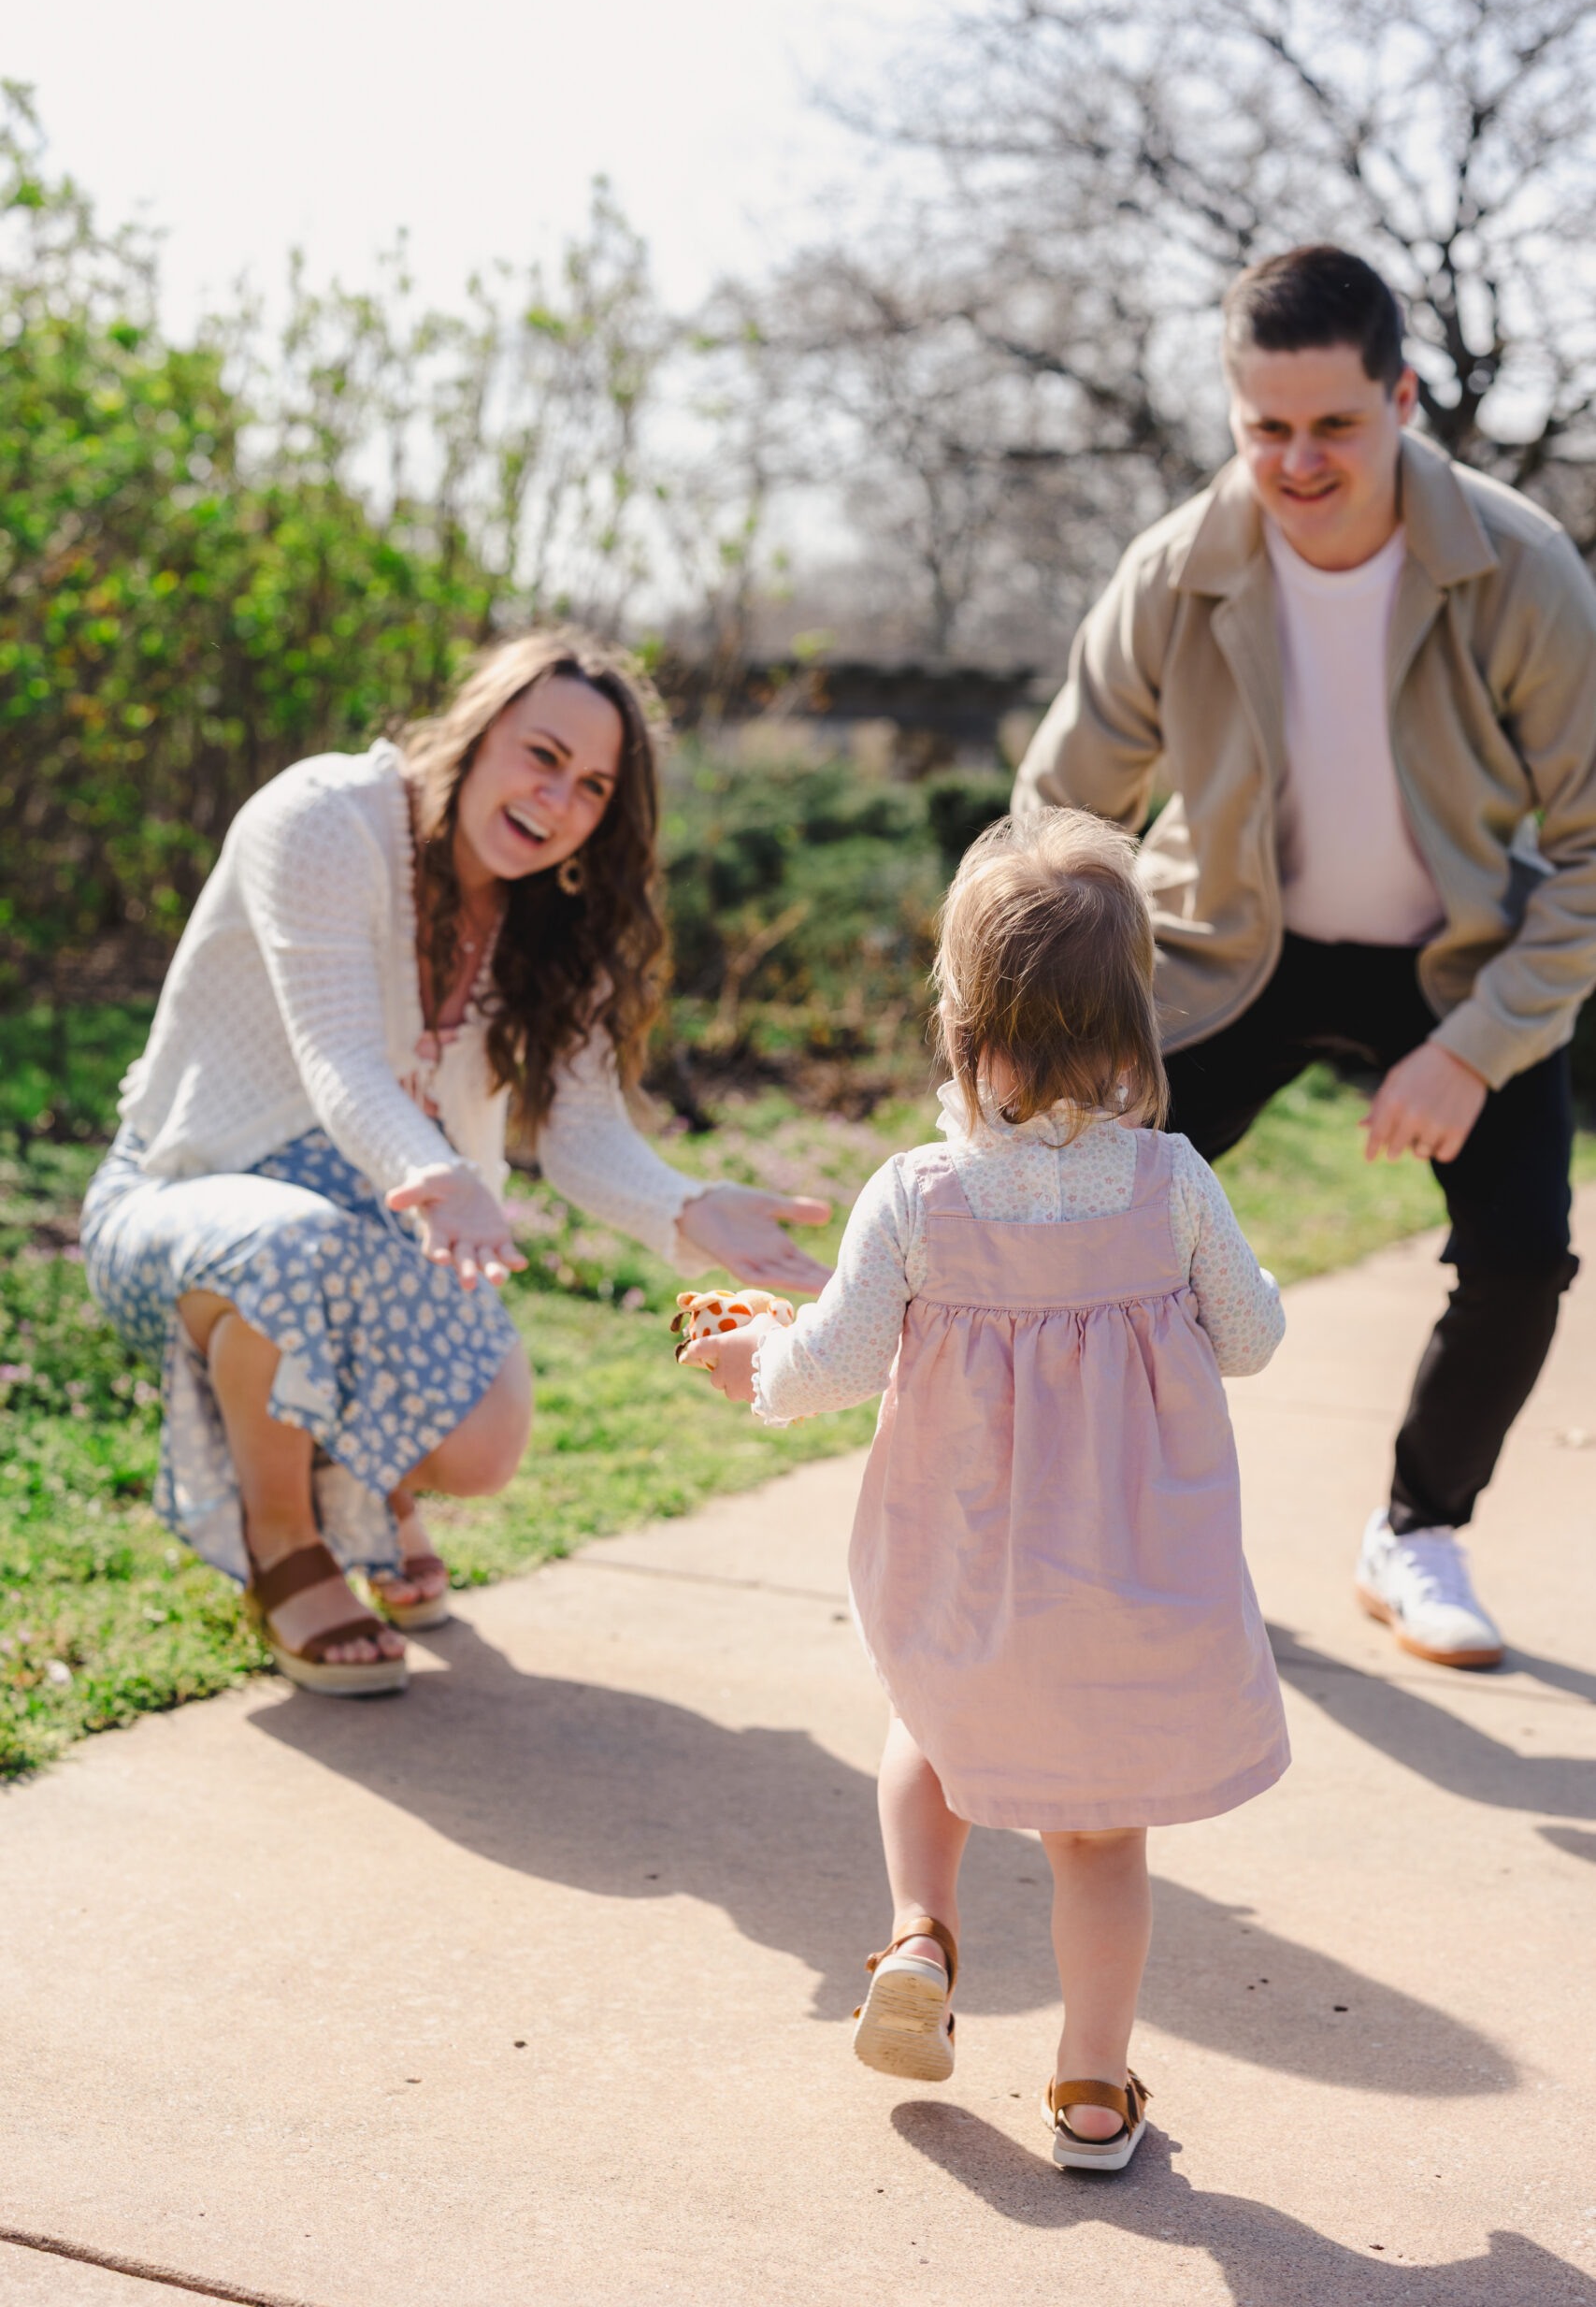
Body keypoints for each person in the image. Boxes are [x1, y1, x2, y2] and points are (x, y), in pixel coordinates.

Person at [1014, 245, 1596, 1673]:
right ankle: (1114, 1531)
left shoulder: (1515, 568)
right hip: (1219, 944)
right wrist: (1035, 1033)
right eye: (1261, 428)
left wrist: (1469, 1049)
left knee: (1520, 1253)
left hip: (1450, 958)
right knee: (1080, 1216)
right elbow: (1051, 820)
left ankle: (1415, 1532)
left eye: (1332, 424)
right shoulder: (1172, 573)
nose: (1295, 460)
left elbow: (1588, 849)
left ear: (1400, 399)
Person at [684, 811, 1287, 2171]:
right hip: (1128, 1595)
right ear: (1135, 1025)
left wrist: (753, 1365)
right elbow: (1246, 1341)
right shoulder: (1172, 1185)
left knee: (931, 1733)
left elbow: (830, 1360)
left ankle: (916, 1934)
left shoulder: (914, 1196)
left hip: (965, 1573)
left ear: (958, 1021)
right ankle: (1086, 2093)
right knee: (1097, 1841)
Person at [81, 628, 832, 1695]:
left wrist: (691, 1207)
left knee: (483, 1442)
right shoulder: (325, 819)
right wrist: (438, 1177)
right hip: (184, 1196)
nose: (558, 796)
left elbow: (579, 1127)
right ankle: (284, 1538)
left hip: (395, 1218)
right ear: (477, 731)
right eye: (541, 754)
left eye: (593, 785)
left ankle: (365, 1475)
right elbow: (338, 1053)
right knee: (295, 1245)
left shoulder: (551, 913)